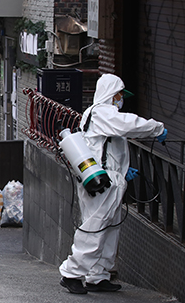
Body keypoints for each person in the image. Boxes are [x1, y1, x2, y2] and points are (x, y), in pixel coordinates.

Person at [59, 74, 167, 294]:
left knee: (110, 227)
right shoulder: (102, 113)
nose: (121, 99)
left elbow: (103, 146)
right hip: (103, 181)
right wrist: (157, 128)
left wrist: (123, 171)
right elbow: (128, 125)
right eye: (119, 94)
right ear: (111, 93)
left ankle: (98, 275)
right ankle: (72, 272)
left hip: (103, 178)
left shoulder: (94, 114)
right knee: (96, 226)